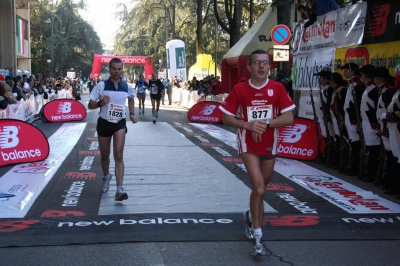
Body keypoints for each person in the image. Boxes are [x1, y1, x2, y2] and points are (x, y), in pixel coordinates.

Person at [219, 49, 295, 256]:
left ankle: (251, 216)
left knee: (259, 190)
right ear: (250, 67)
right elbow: (226, 118)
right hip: (248, 143)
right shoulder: (240, 89)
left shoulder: (278, 88)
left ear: (269, 67)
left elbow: (289, 117)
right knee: (260, 189)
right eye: (257, 63)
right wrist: (248, 125)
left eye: (265, 63)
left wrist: (266, 123)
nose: (261, 66)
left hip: (270, 144)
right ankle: (258, 236)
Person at [88, 58, 138, 201]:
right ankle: (106, 177)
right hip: (104, 122)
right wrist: (100, 103)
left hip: (119, 123)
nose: (117, 72)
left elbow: (131, 98)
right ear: (109, 69)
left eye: (119, 69)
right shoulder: (101, 86)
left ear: (123, 69)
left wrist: (132, 113)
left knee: (119, 154)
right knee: (105, 155)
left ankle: (119, 190)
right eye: (114, 69)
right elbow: (90, 105)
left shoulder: (126, 86)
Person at [339, 62, 365, 177]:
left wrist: (356, 119)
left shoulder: (358, 85)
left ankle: (357, 167)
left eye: (346, 70)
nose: (344, 72)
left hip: (354, 119)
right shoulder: (352, 85)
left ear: (353, 71)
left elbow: (358, 105)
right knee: (353, 143)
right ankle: (354, 167)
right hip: (349, 118)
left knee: (356, 144)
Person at [359, 64, 380, 182]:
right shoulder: (368, 89)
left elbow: (375, 109)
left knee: (374, 150)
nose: (361, 76)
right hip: (366, 122)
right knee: (370, 148)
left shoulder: (374, 90)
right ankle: (370, 173)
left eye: (362, 74)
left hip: (372, 123)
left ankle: (373, 175)